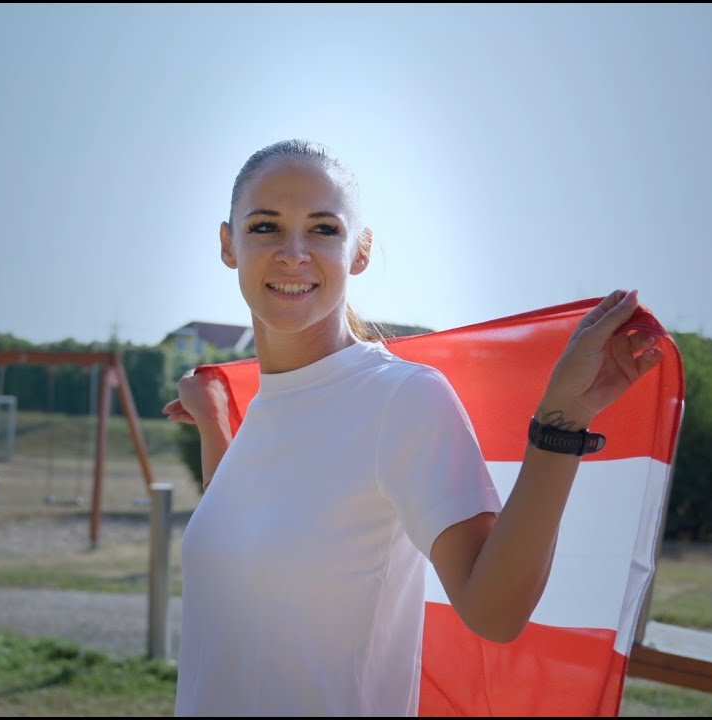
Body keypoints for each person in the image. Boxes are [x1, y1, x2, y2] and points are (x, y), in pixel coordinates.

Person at [162, 140, 663, 716]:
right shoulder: (267, 408)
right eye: (265, 226)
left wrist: (562, 423)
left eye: (323, 229)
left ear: (361, 250)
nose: (293, 253)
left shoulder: (401, 399)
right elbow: (250, 545)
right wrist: (214, 424)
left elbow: (494, 612)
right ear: (228, 244)